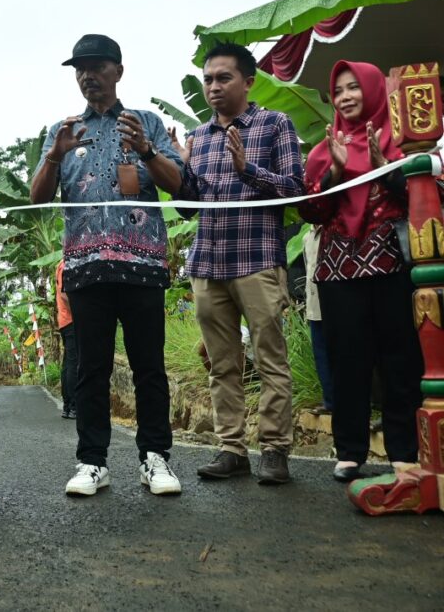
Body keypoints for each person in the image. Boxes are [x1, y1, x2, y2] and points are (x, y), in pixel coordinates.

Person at [30, 33, 184, 497]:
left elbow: (177, 183)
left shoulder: (148, 123)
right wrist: (55, 154)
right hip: (84, 267)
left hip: (142, 265)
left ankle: (155, 459)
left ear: (118, 70)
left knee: (148, 367)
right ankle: (92, 462)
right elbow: (37, 198)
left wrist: (146, 151)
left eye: (96, 66)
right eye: (80, 69)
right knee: (91, 370)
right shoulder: (63, 129)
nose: (87, 76)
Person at [172, 43, 304, 485]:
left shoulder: (274, 125)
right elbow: (189, 211)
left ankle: (274, 450)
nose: (212, 87)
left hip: (258, 261)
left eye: (223, 78)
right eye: (208, 79)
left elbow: (295, 192)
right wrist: (182, 173)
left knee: (270, 358)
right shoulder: (200, 136)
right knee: (222, 363)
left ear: (248, 81)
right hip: (208, 264)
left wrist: (248, 169)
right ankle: (232, 448)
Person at [298, 60, 423, 482]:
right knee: (347, 361)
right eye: (339, 91)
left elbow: (420, 200)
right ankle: (350, 451)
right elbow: (311, 212)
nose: (346, 96)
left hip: (392, 265)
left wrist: (382, 168)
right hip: (339, 270)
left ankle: (403, 451)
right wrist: (334, 172)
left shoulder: (399, 143)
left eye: (354, 88)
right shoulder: (323, 149)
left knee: (399, 360)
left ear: (372, 90)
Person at [301, 226, 335, 413]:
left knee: (340, 355)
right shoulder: (307, 237)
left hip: (335, 307)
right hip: (314, 306)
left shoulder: (333, 232)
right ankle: (330, 401)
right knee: (321, 356)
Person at [55, 260, 77, 419]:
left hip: (64, 320)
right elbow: (65, 294)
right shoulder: (66, 265)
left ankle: (67, 406)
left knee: (68, 363)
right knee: (73, 363)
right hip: (71, 320)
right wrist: (79, 312)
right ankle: (74, 406)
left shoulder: (62, 264)